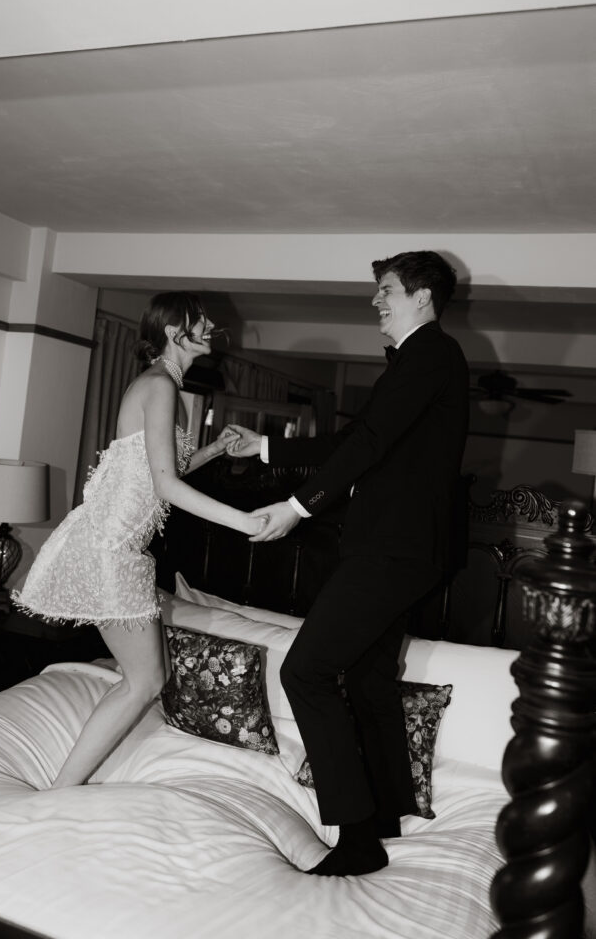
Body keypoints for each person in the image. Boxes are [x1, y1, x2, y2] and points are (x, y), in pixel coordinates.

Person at [227, 251, 469, 876]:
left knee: (305, 672)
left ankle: (357, 837)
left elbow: (366, 442)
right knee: (366, 680)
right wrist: (267, 446)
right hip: (398, 549)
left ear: (421, 295)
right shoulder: (421, 363)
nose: (375, 302)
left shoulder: (432, 355)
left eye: (385, 290)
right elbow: (356, 437)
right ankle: (387, 811)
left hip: (395, 550)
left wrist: (297, 507)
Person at [14, 292, 265, 789]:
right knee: (146, 680)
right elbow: (168, 486)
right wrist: (244, 522)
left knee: (144, 678)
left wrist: (214, 448)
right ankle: (61, 790)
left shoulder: (163, 385)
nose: (212, 325)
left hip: (112, 546)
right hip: (109, 549)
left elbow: (159, 472)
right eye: (201, 321)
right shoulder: (160, 386)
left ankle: (63, 787)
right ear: (175, 333)